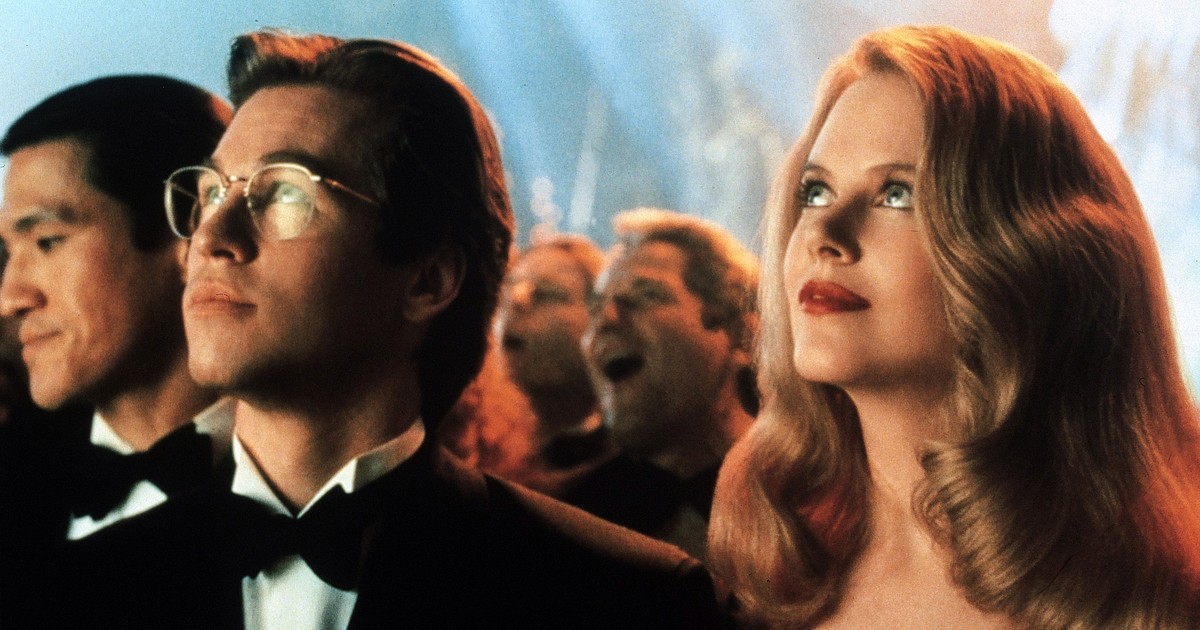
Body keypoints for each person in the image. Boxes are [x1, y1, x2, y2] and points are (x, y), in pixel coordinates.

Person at [61, 31, 727, 630]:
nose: (212, 235)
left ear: (427, 280)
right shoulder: (72, 591)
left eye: (284, 192)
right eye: (212, 191)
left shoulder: (620, 598)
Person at [708, 25, 1200, 628]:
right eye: (815, 192)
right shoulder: (769, 567)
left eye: (897, 194)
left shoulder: (1154, 594)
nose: (823, 234)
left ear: (1029, 251)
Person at [0, 75, 232, 626]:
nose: (10, 298)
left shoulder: (334, 490)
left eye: (48, 242)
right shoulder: (11, 483)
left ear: (190, 228)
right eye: (9, 253)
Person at [572, 208, 758, 560]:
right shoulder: (568, 518)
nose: (605, 321)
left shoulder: (826, 500)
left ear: (742, 335)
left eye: (645, 295)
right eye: (595, 308)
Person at [491, 234, 616, 495]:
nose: (516, 302)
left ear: (601, 317)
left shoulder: (626, 466)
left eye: (546, 293)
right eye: (509, 288)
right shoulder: (459, 439)